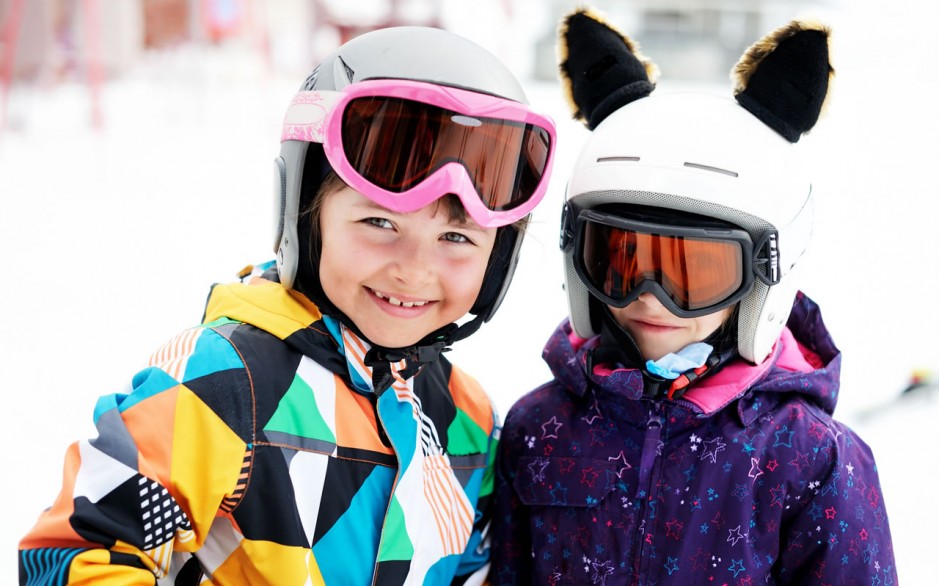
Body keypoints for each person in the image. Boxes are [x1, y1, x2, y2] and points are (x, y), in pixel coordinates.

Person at [18, 25, 557, 585]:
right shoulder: (224, 384)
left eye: (457, 239)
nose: (415, 269)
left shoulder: (469, 421)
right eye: (379, 222)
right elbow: (81, 552)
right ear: (303, 217)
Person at [490, 8, 897, 585]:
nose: (650, 299)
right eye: (620, 261)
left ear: (762, 277)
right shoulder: (540, 428)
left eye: (695, 272)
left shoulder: (810, 459)